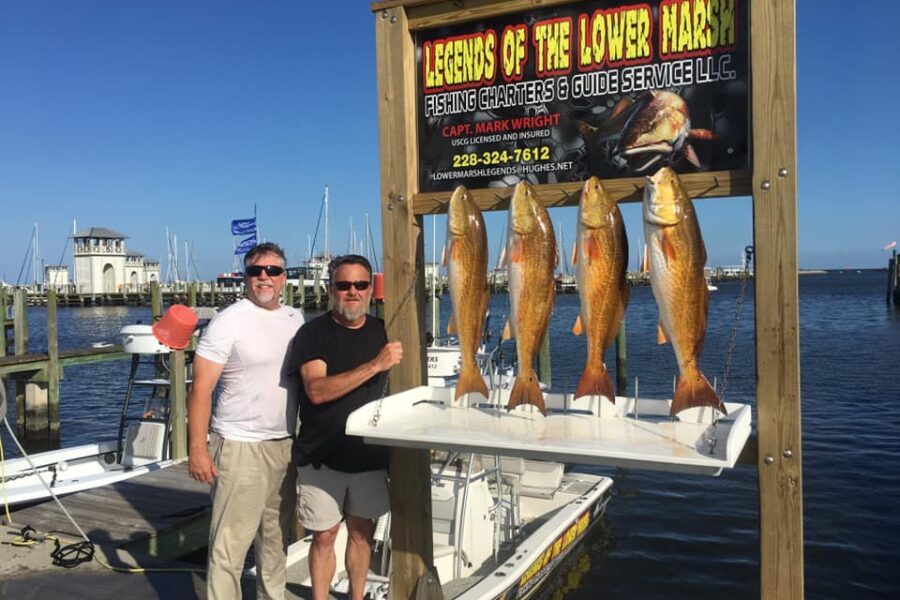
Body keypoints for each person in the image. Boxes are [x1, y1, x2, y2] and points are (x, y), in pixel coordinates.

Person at [187, 242, 303, 600]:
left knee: (275, 541)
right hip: (239, 447)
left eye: (273, 270)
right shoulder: (228, 321)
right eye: (256, 271)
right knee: (229, 547)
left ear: (284, 277)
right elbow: (200, 390)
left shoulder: (295, 319)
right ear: (245, 277)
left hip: (283, 445)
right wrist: (198, 450)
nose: (264, 277)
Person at [291, 254, 402, 600]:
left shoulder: (384, 331)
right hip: (321, 455)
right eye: (343, 285)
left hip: (370, 456)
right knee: (324, 535)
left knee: (361, 531)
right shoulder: (313, 333)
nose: (352, 291)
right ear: (331, 289)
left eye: (360, 284)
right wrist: (375, 365)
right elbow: (316, 390)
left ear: (370, 289)